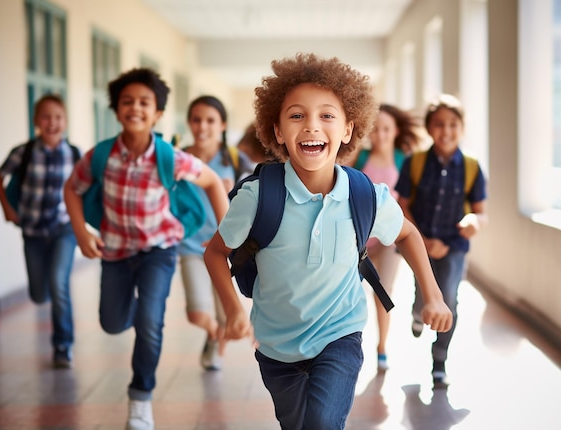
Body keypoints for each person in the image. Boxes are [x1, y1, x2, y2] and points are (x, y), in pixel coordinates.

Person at [203, 52, 452, 430]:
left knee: (321, 422)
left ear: (349, 130)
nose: (311, 126)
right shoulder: (257, 197)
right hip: (275, 346)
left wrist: (432, 294)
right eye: (297, 115)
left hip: (341, 333)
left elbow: (406, 233)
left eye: (327, 115)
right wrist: (234, 311)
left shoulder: (364, 193)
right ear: (277, 131)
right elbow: (215, 252)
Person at [63, 69, 229, 430]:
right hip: (116, 253)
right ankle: (139, 311)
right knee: (112, 322)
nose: (135, 108)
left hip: (160, 251)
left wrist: (227, 235)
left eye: (144, 102)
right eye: (127, 102)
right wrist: (80, 231)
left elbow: (214, 181)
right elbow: (71, 189)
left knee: (150, 324)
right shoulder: (101, 155)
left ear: (157, 114)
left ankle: (141, 397)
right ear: (116, 109)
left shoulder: (170, 156)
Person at [395, 93, 488, 389]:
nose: (446, 131)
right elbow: (402, 204)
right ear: (429, 128)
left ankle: (439, 361)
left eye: (452, 124)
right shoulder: (416, 163)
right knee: (423, 287)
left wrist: (473, 221)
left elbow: (480, 213)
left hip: (454, 245)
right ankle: (417, 310)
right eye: (439, 124)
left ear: (461, 128)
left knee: (449, 297)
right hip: (419, 240)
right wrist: (421, 239)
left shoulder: (472, 166)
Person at [0, 94, 80, 369]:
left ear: (65, 122)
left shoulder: (75, 154)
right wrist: (7, 208)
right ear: (35, 121)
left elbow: (86, 189)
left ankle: (63, 346)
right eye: (46, 116)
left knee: (59, 282)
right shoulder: (24, 152)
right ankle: (54, 297)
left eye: (58, 117)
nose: (52, 122)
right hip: (31, 231)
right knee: (40, 294)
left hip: (64, 229)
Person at [178, 95, 250, 370]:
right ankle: (212, 333)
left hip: (224, 247)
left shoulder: (233, 159)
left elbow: (252, 200)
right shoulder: (180, 159)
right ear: (189, 123)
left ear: (222, 125)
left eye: (210, 120)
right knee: (197, 313)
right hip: (191, 246)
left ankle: (216, 342)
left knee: (226, 315)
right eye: (196, 119)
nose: (202, 126)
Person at [352, 103, 420, 372]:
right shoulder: (360, 158)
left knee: (383, 292)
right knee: (354, 293)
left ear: (396, 131)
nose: (380, 134)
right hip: (359, 240)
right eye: (375, 129)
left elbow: (409, 200)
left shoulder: (404, 160)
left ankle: (382, 347)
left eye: (386, 129)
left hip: (389, 238)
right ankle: (350, 344)